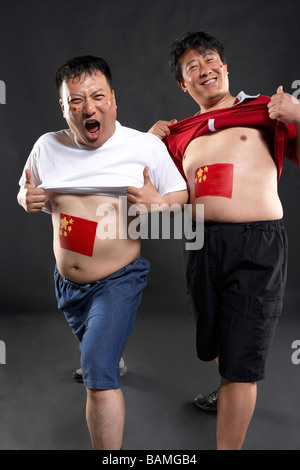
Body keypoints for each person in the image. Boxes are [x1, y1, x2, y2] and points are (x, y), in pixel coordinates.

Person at [17, 55, 188, 450]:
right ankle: (110, 357)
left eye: (97, 96)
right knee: (96, 347)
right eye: (76, 100)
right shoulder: (47, 146)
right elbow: (25, 191)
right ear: (64, 107)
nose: (88, 107)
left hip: (118, 281)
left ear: (113, 99)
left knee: (96, 371)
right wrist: (25, 197)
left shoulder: (142, 146)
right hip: (67, 285)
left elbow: (180, 194)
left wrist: (157, 203)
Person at [148, 31, 300, 450]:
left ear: (226, 67)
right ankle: (229, 382)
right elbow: (154, 189)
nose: (204, 70)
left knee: (240, 367)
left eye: (210, 59)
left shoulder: (265, 110)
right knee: (215, 337)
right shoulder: (180, 134)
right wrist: (149, 144)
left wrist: (298, 113)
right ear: (184, 85)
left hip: (256, 244)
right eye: (191, 67)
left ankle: (233, 400)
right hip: (201, 244)